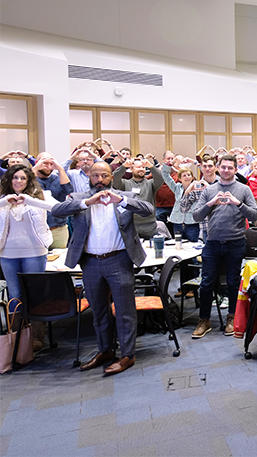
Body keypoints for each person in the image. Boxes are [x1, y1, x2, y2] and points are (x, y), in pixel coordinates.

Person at [51, 162, 154, 375]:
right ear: (89, 176)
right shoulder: (79, 197)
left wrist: (122, 201)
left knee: (125, 310)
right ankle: (105, 350)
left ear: (111, 177)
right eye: (95, 175)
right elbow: (56, 211)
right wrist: (86, 203)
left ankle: (127, 355)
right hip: (91, 262)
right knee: (98, 310)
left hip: (119, 260)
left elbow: (148, 210)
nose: (100, 179)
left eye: (104, 176)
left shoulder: (124, 195)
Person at [191, 155, 257, 339]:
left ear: (236, 170)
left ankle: (232, 318)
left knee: (232, 282)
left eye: (230, 168)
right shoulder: (209, 190)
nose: (226, 170)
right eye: (223, 167)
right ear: (218, 169)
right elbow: (196, 216)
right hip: (212, 243)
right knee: (206, 283)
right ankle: (204, 320)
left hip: (235, 243)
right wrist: (211, 203)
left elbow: (254, 215)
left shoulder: (243, 189)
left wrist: (238, 203)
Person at [0, 165, 57, 350]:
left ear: (29, 180)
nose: (18, 181)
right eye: (15, 178)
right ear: (9, 180)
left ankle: (37, 338)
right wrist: (5, 201)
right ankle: (15, 338)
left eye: (23, 178)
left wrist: (31, 200)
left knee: (35, 295)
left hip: (34, 252)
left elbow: (57, 207)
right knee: (15, 295)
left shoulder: (40, 195)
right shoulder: (2, 199)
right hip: (8, 254)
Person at [112, 156, 163, 239]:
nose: (142, 169)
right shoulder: (125, 184)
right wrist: (123, 166)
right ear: (131, 169)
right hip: (131, 225)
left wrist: (151, 166)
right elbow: (114, 179)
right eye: (138, 167)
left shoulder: (151, 184)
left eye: (143, 167)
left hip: (149, 225)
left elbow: (160, 179)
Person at [32, 152, 73, 249]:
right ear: (37, 163)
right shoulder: (31, 179)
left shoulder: (58, 179)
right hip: (36, 230)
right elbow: (24, 185)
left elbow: (68, 190)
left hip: (58, 229)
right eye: (44, 162)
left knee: (58, 261)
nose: (48, 166)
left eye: (51, 163)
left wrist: (60, 168)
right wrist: (36, 167)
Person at [161, 164, 200, 242]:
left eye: (189, 175)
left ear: (192, 177)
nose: (187, 177)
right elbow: (165, 176)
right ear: (180, 178)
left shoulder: (198, 187)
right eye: (184, 175)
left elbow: (206, 175)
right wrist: (168, 165)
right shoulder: (177, 188)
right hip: (177, 222)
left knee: (193, 244)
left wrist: (195, 163)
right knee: (178, 244)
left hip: (192, 222)